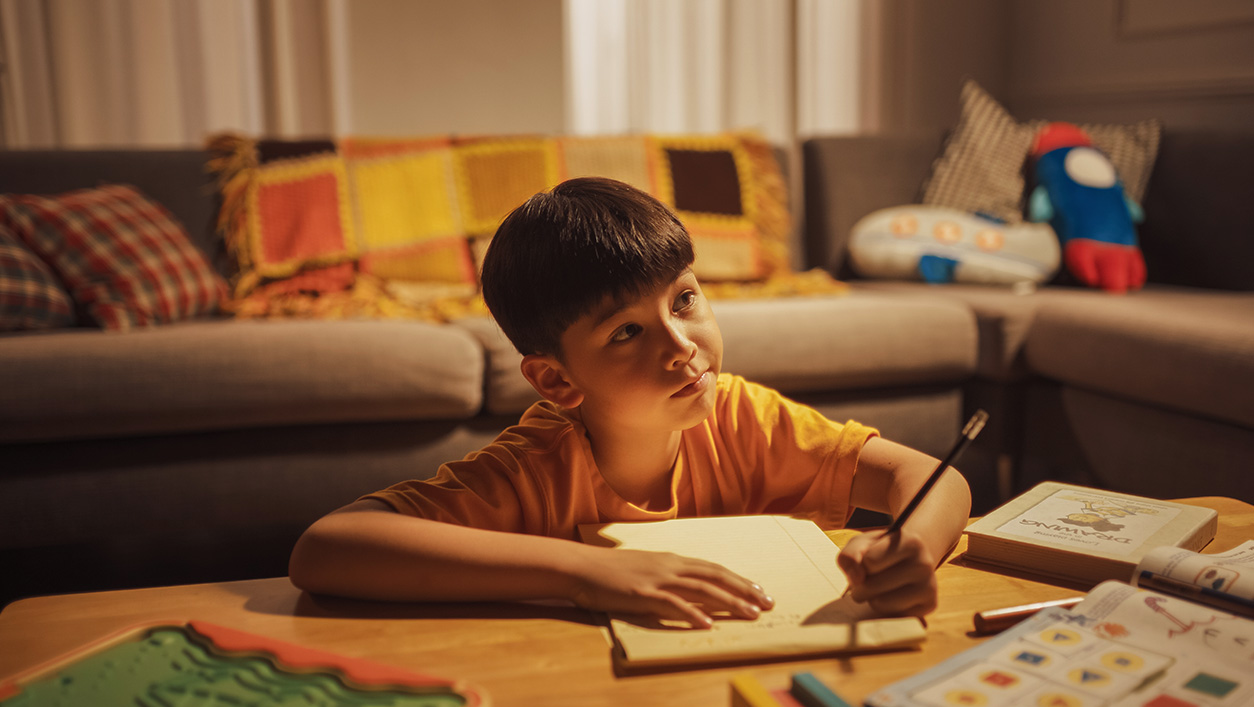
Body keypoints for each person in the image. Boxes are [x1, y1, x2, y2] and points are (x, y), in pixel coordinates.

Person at [289, 177, 971, 628]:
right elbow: (325, 549)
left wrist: (912, 544)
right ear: (556, 381)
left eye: (684, 300)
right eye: (626, 332)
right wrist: (589, 571)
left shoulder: (747, 418)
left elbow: (935, 480)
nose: (683, 347)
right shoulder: (532, 472)